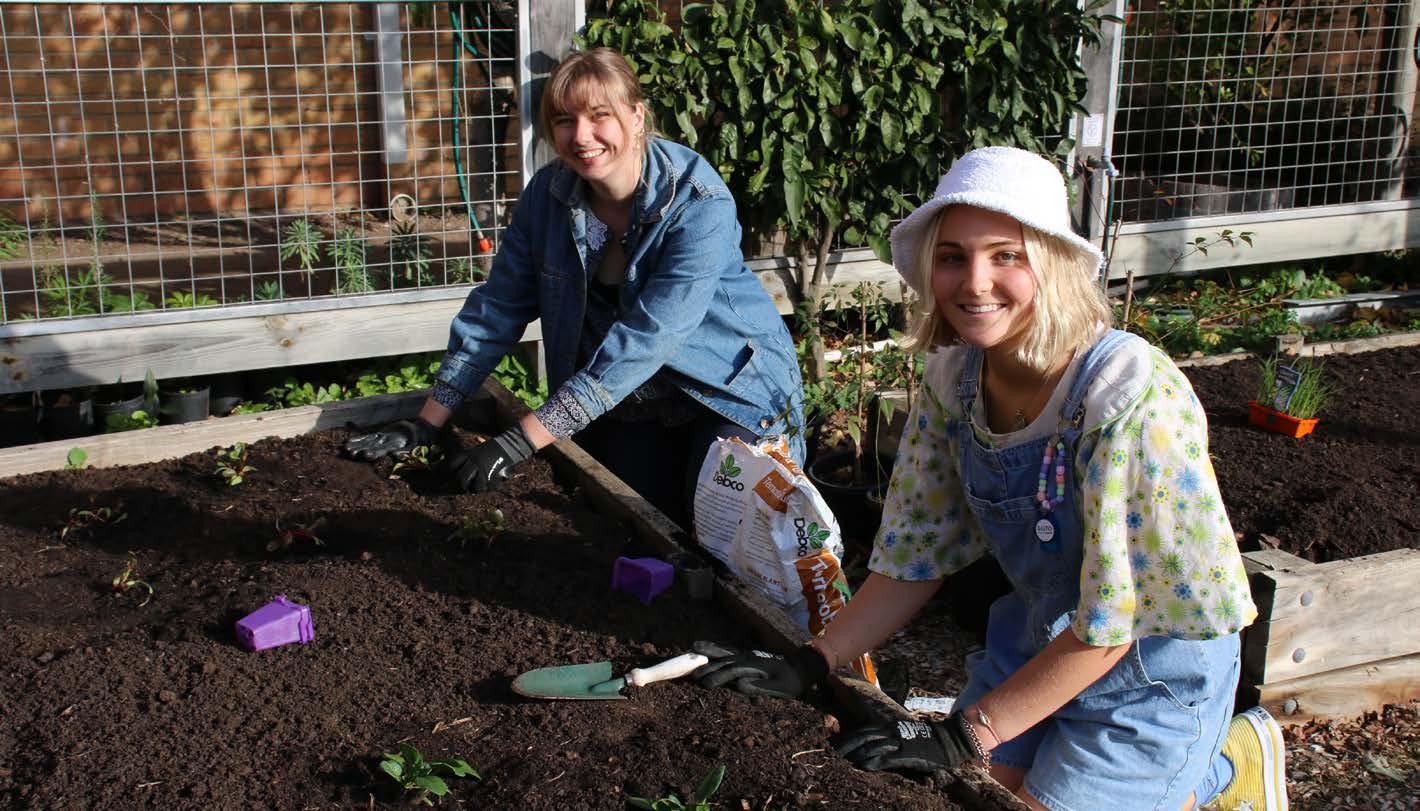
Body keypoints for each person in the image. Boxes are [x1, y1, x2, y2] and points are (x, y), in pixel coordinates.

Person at [691, 146, 1287, 811]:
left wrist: (965, 733)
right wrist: (812, 660)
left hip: (1149, 671)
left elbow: (1113, 625)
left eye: (1007, 255)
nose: (975, 283)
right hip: (1036, 639)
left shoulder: (1125, 395)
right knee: (973, 795)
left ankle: (1221, 767)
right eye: (953, 257)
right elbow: (914, 556)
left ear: (1053, 264)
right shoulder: (956, 382)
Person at [344, 47, 805, 524]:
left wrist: (517, 442)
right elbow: (497, 309)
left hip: (730, 394)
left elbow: (647, 339)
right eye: (565, 120)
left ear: (636, 116)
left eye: (599, 116)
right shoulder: (547, 199)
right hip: (633, 402)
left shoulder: (697, 203)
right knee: (632, 525)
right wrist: (426, 423)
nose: (582, 137)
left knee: (725, 532)